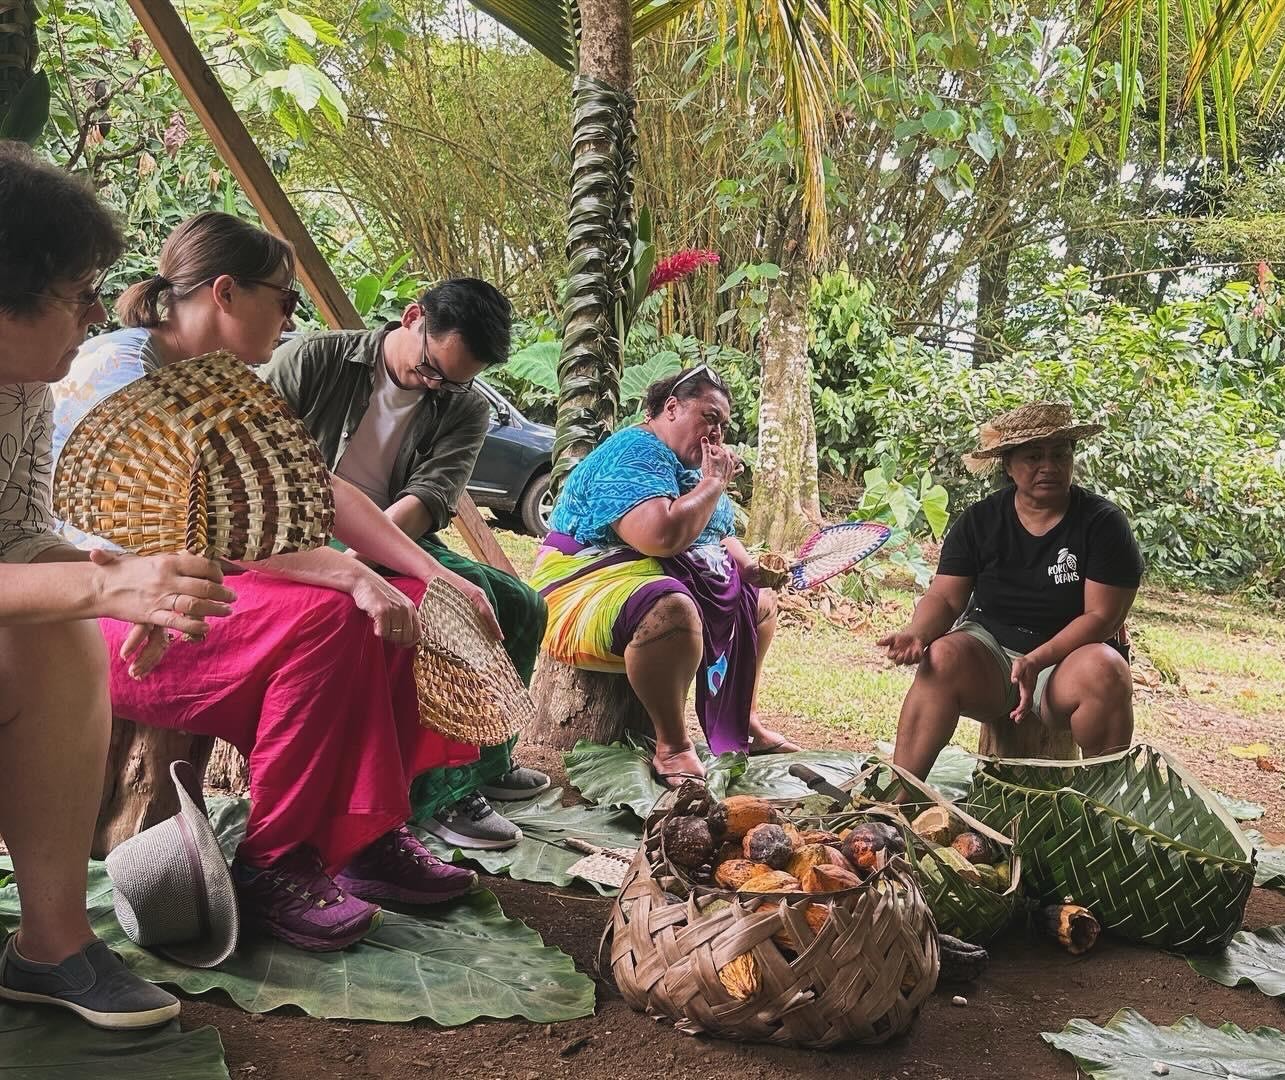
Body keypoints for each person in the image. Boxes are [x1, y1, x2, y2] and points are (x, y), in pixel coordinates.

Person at [51, 212, 494, 953]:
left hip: (187, 600)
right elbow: (219, 524)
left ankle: (362, 836)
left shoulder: (216, 379)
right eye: (285, 299)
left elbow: (316, 490)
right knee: (330, 619)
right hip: (112, 619)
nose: (293, 316)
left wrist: (430, 572)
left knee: (411, 605)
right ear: (225, 292)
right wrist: (351, 575)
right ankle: (275, 862)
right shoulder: (123, 369)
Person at [0, 143, 236, 1028]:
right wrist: (100, 591)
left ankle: (51, 946)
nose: (100, 312)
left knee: (57, 637)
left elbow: (18, 538)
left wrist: (136, 585)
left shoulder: (19, 387)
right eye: (75, 292)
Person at [260, 279, 550, 852]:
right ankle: (440, 798)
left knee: (518, 603)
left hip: (393, 531)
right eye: (431, 369)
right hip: (301, 533)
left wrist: (375, 555)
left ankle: (487, 761)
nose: (438, 386)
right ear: (412, 317)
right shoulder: (314, 359)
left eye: (455, 380)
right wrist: (353, 564)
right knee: (446, 613)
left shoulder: (464, 404)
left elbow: (432, 496)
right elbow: (257, 465)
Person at [530, 365, 797, 787]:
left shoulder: (691, 468)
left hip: (648, 570)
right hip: (580, 578)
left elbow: (717, 532)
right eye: (709, 418)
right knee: (670, 609)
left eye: (723, 426)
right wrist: (712, 484)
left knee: (759, 604)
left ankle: (743, 716)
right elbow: (658, 536)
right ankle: (672, 745)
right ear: (671, 407)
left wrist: (748, 567)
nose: (716, 435)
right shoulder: (633, 450)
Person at [878, 402, 1143, 780]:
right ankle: (900, 793)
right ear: (1008, 464)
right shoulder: (980, 521)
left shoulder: (1103, 523)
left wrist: (1037, 659)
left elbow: (1102, 618)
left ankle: (1102, 809)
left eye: (1059, 454)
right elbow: (945, 597)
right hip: (991, 653)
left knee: (1108, 671)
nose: (1048, 466)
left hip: (1068, 660)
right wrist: (917, 633)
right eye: (1034, 456)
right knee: (941, 657)